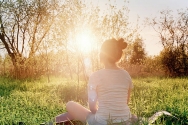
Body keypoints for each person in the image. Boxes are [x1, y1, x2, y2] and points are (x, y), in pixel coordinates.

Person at [44, 38, 137, 125]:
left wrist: (100, 113)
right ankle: (52, 123)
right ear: (118, 55)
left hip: (101, 122)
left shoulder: (96, 75)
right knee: (76, 114)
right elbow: (125, 102)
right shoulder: (126, 75)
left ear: (102, 55)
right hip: (125, 121)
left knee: (70, 105)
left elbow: (92, 108)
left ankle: (50, 123)